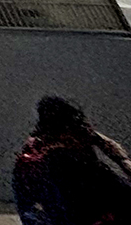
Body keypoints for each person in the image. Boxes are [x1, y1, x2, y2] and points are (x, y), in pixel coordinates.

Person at [13, 96, 131, 225]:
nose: (79, 137)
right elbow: (30, 206)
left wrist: (124, 162)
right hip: (61, 206)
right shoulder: (42, 156)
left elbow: (104, 142)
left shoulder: (77, 135)